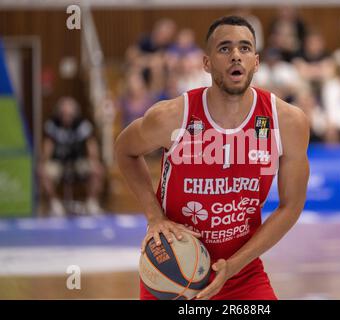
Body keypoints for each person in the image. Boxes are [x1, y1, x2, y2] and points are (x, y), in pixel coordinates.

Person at [115, 16, 310, 300]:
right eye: (224, 49)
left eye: (244, 49)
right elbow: (124, 149)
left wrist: (233, 266)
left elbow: (291, 206)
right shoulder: (172, 116)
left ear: (256, 62)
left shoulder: (287, 122)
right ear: (206, 63)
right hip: (174, 269)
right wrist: (154, 216)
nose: (235, 56)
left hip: (241, 272)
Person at [38, 97, 105, 216]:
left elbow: (91, 144)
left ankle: (91, 203)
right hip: (58, 162)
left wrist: (94, 160)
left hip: (78, 161)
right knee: (42, 171)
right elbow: (48, 145)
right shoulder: (53, 124)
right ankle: (55, 204)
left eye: (69, 114)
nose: (66, 116)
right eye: (64, 114)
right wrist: (43, 162)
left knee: (97, 169)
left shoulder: (82, 124)